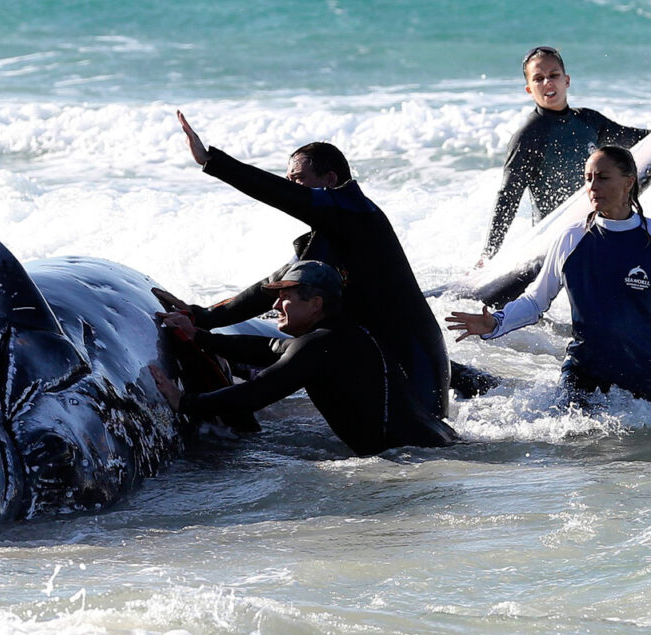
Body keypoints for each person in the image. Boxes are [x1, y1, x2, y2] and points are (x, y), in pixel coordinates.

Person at [164, 111, 453, 417]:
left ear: (330, 180)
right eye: (290, 182)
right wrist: (202, 317)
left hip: (413, 350)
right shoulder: (326, 235)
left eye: (298, 181)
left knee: (423, 440)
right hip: (372, 350)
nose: (293, 189)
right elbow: (272, 286)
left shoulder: (357, 212)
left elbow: (284, 196)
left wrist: (212, 162)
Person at [151, 261, 457, 456]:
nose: (276, 304)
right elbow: (272, 348)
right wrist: (201, 337)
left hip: (415, 456)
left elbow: (254, 395)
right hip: (437, 442)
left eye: (287, 297)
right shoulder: (345, 334)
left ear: (316, 303)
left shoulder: (320, 345)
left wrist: (185, 401)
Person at [448, 146, 651, 405]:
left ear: (629, 182)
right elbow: (535, 301)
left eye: (602, 177)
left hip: (642, 378)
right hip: (584, 377)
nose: (592, 186)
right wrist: (496, 323)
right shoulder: (572, 238)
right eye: (588, 178)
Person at [479, 46, 648, 263]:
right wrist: (488, 253)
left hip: (597, 232)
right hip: (555, 245)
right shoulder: (528, 136)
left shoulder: (589, 120)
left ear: (566, 80)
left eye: (554, 75)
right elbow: (508, 197)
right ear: (529, 89)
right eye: (538, 78)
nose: (547, 82)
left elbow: (637, 139)